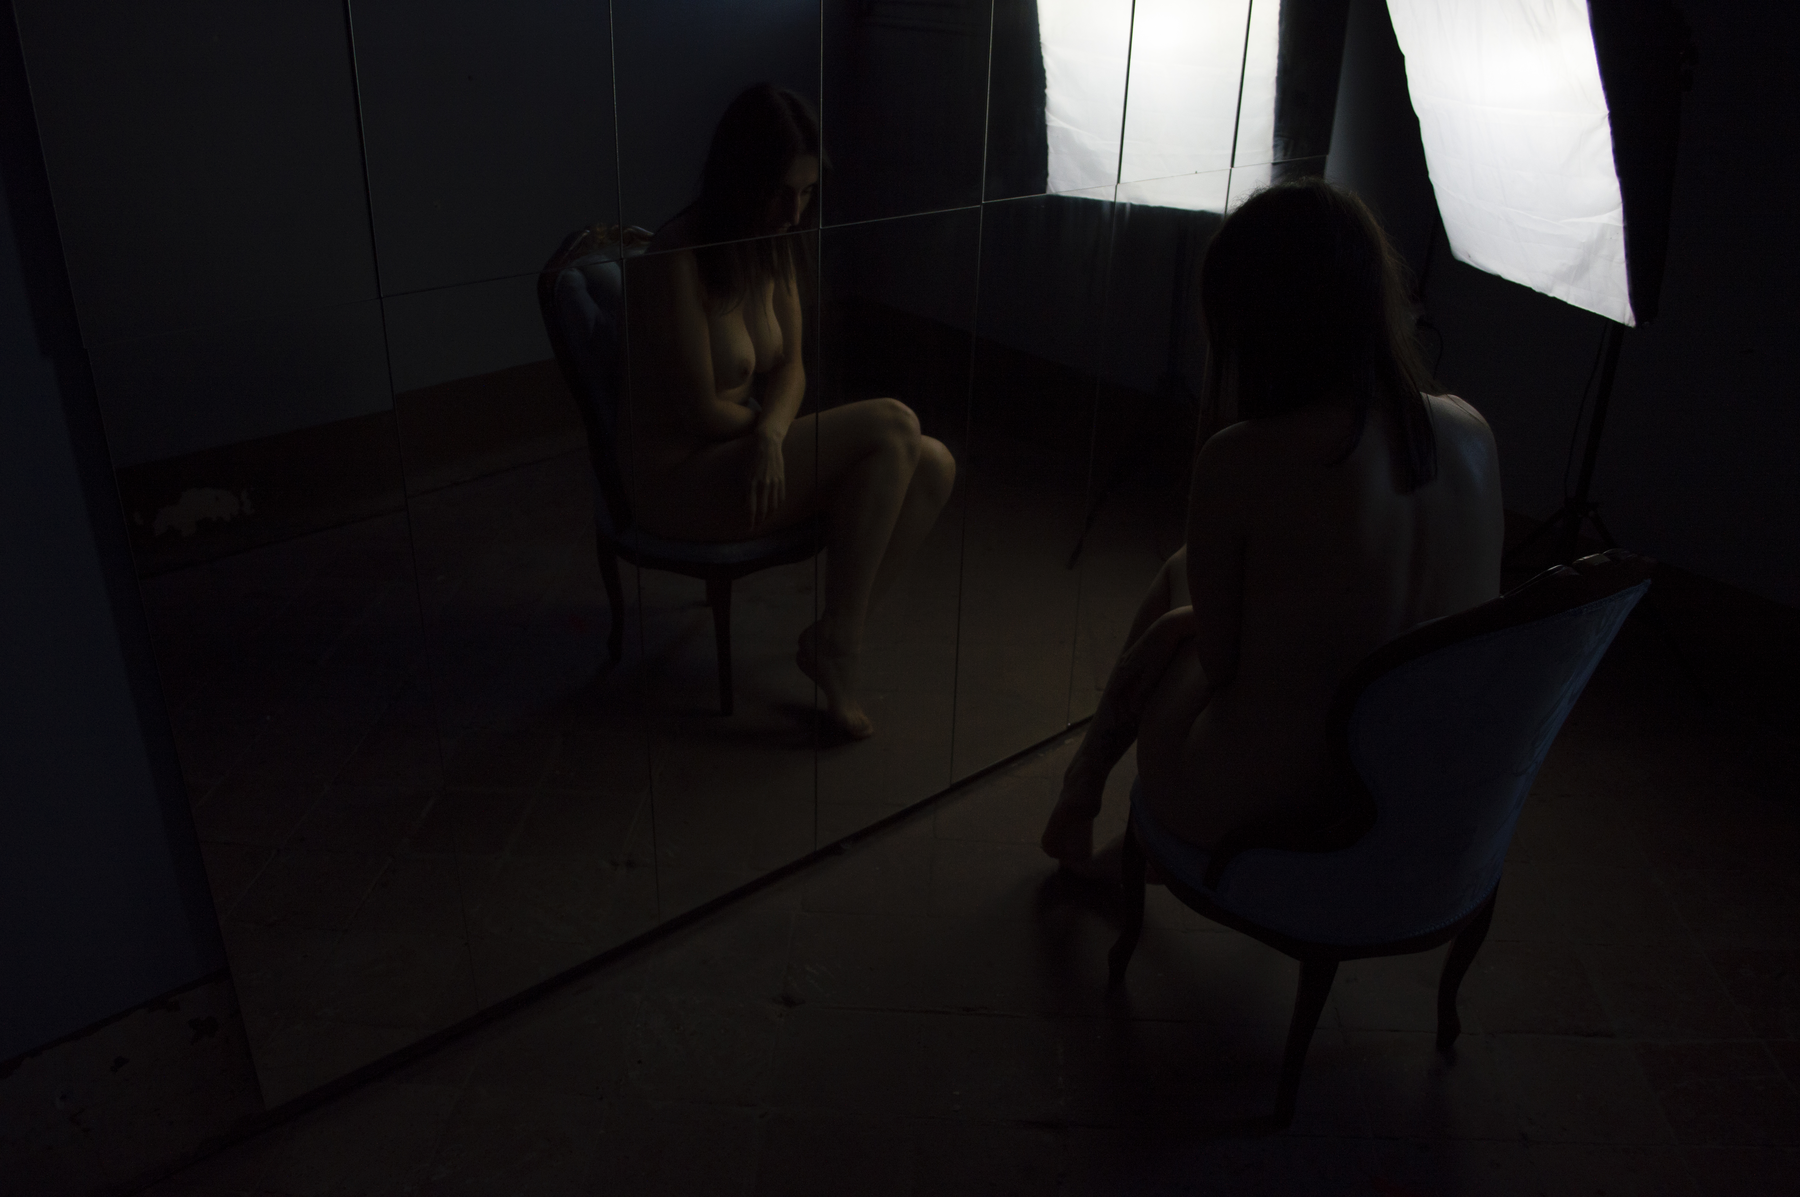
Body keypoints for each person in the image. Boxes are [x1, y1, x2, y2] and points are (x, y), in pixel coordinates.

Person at [1040, 179, 1503, 874]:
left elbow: (1222, 663)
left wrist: (1177, 632)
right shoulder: (1472, 431)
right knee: (1186, 576)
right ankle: (1095, 808)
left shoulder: (1246, 457)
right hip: (1419, 792)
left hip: (1270, 809)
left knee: (1179, 614)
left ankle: (1086, 787)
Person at [622, 84, 956, 740]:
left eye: (806, 193)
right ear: (739, 180)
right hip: (677, 478)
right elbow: (697, 411)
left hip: (741, 452)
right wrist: (770, 435)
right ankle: (839, 648)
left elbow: (793, 368)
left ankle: (838, 631)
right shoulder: (675, 257)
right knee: (894, 424)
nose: (795, 212)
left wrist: (773, 434)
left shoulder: (769, 245)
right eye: (781, 192)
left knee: (934, 464)